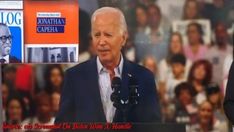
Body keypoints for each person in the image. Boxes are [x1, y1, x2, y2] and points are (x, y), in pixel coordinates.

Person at [55, 7, 161, 123]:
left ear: (123, 38)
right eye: (96, 35)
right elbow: (62, 126)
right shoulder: (74, 77)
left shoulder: (144, 78)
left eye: (108, 35)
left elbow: (153, 126)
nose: (101, 42)